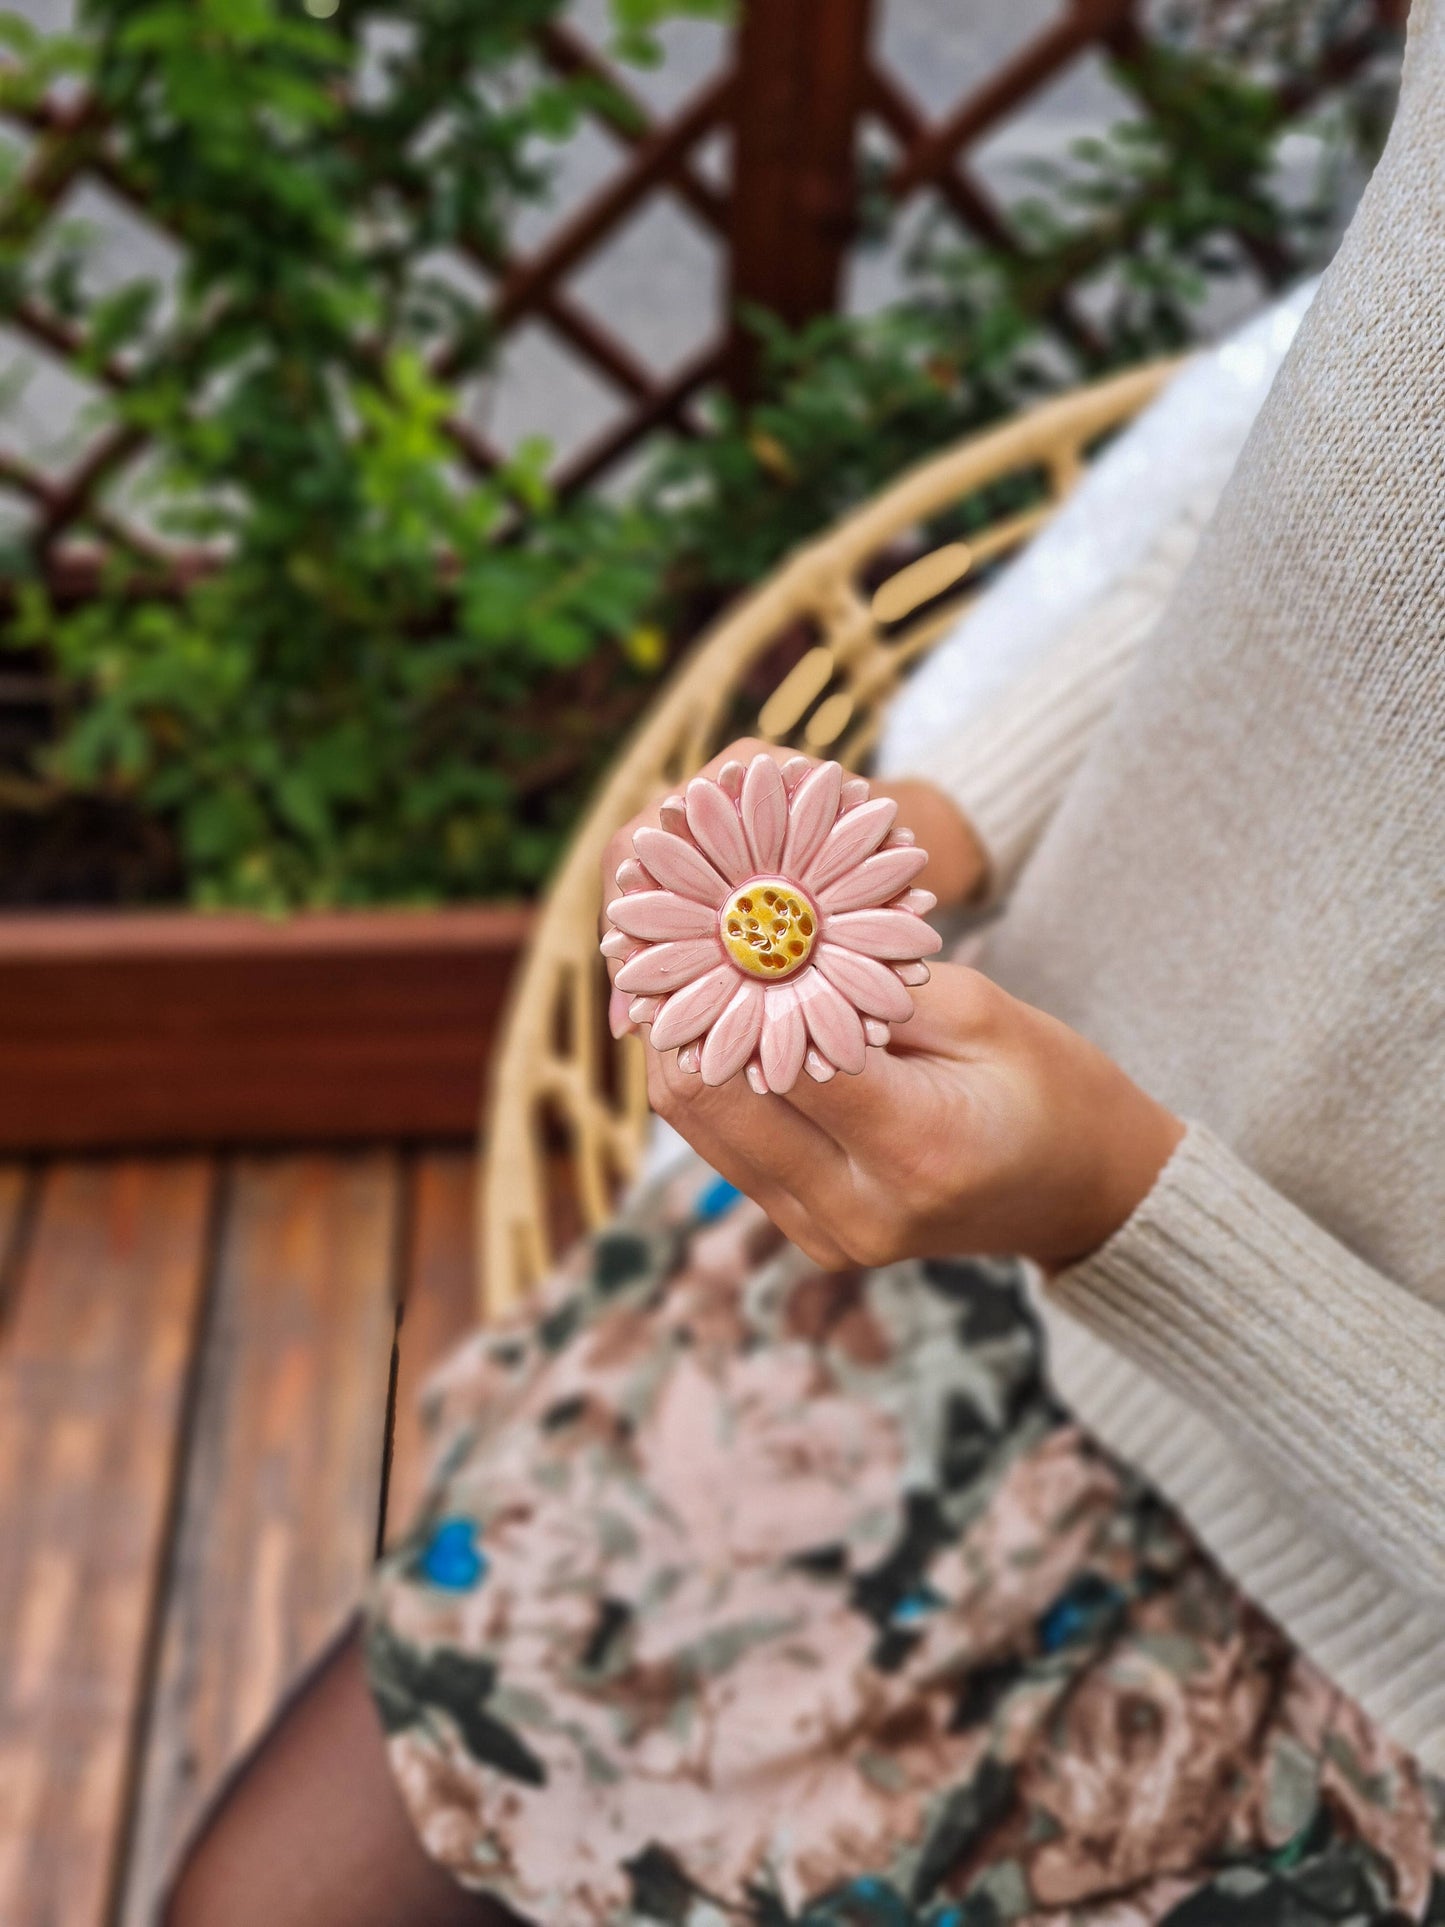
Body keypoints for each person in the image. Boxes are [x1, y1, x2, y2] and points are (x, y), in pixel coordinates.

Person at [163, 3, 1444, 1921]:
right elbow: (1333, 494)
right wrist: (944, 821)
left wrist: (1125, 1211)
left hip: (1357, 1648)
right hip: (985, 1232)